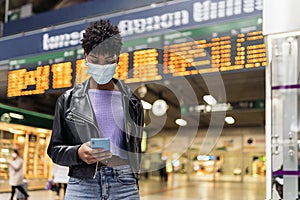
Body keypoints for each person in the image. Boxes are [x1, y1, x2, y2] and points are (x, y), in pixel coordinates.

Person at [47, 19, 144, 200]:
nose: (101, 66)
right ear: (85, 56)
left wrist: (133, 177)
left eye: (108, 60)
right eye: (94, 60)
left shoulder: (133, 103)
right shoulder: (68, 101)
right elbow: (54, 149)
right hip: (82, 185)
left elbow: (136, 148)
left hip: (124, 183)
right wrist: (78, 153)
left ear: (118, 59)